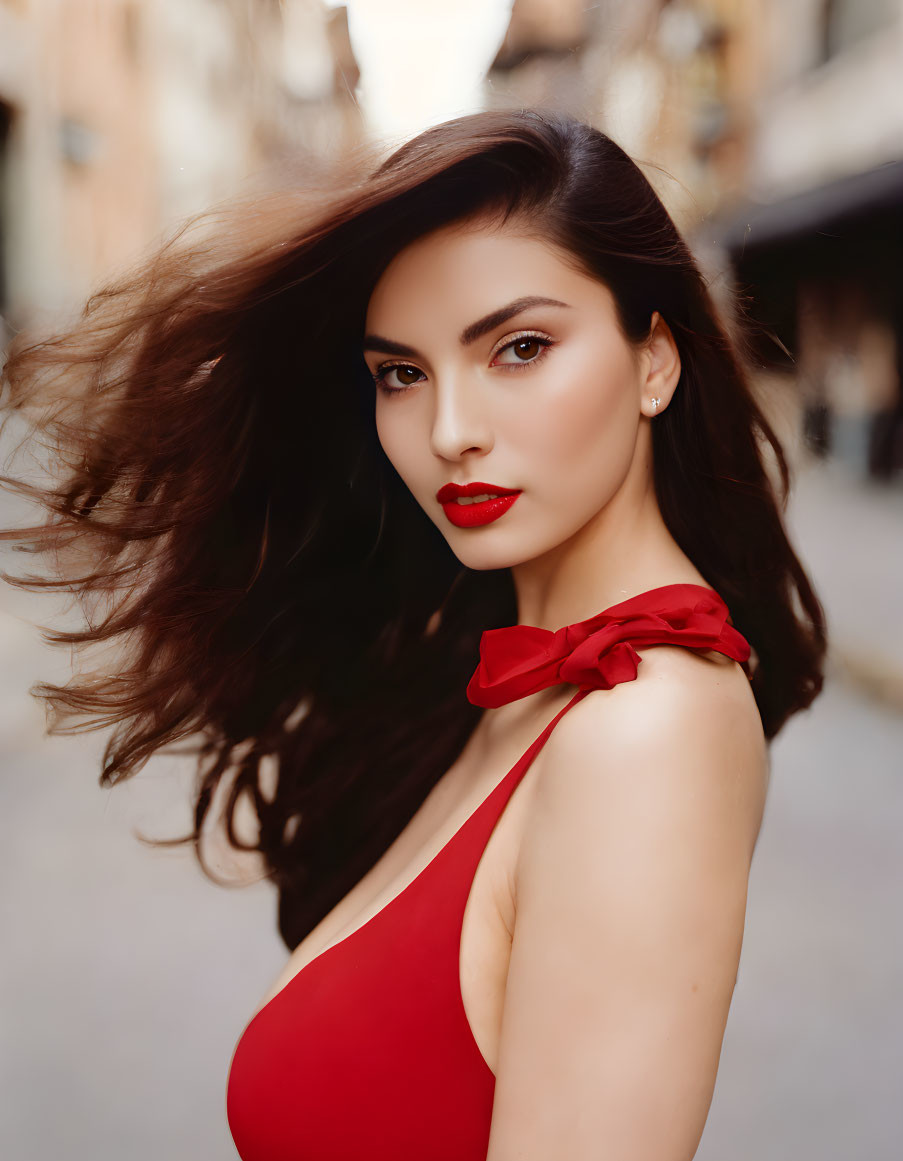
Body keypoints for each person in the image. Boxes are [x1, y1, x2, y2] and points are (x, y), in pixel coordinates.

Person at [0, 108, 826, 1160]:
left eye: (519, 348)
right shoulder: (508, 682)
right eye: (402, 373)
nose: (448, 432)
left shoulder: (645, 728)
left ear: (654, 360)